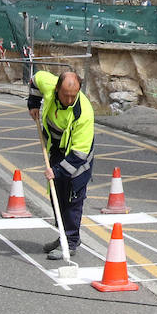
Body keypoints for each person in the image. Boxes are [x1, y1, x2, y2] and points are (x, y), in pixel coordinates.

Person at [27, 69, 94, 260]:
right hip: (57, 147)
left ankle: (71, 242)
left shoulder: (84, 112)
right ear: (57, 89)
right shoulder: (49, 84)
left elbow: (79, 153)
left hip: (77, 155)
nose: (70, 100)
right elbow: (35, 80)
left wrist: (56, 171)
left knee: (73, 195)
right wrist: (32, 103)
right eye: (66, 95)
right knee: (57, 192)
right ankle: (63, 235)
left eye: (74, 95)